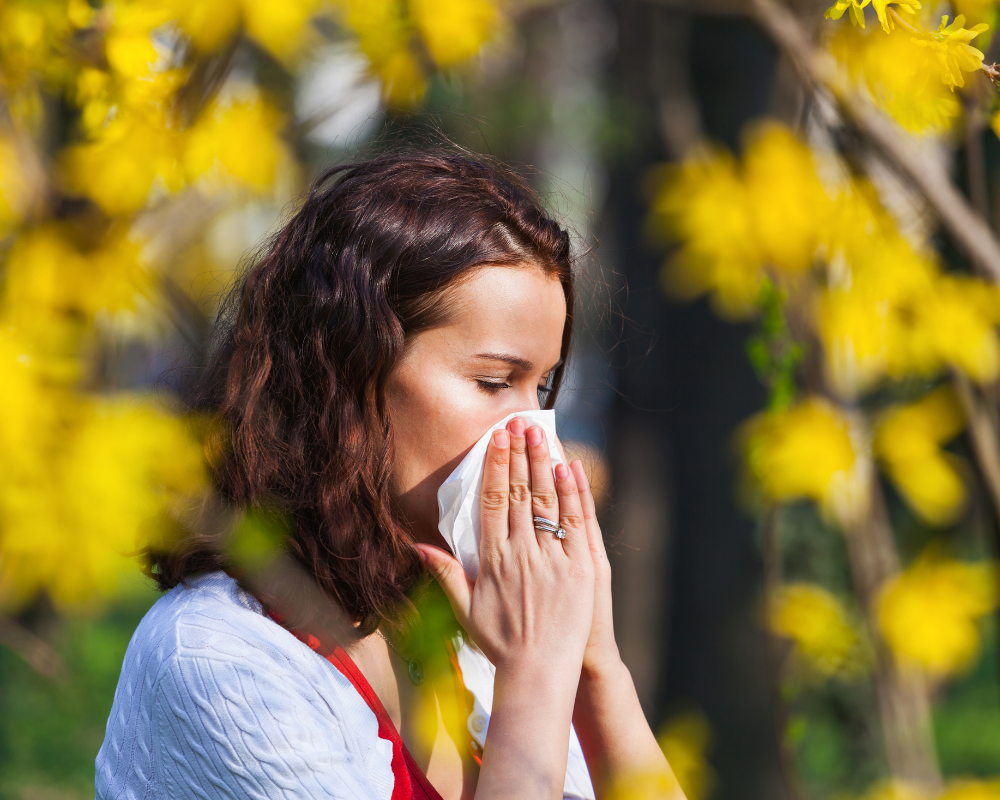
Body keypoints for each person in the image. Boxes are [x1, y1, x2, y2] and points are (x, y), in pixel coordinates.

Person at [94, 150, 682, 800]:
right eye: (494, 381)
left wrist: (595, 666)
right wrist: (537, 676)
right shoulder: (221, 660)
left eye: (541, 390)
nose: (533, 437)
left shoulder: (472, 634)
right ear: (349, 374)